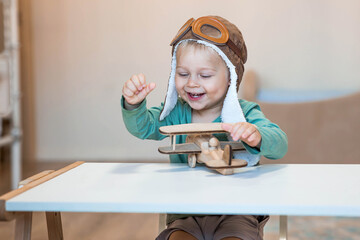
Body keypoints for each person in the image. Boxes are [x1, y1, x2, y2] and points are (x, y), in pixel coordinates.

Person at [121, 16, 288, 240]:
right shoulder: (175, 113)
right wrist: (134, 104)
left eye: (205, 75)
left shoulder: (245, 113)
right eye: (183, 74)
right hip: (186, 214)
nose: (192, 83)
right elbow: (144, 127)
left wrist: (257, 136)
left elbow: (280, 143)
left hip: (237, 213)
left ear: (231, 76)